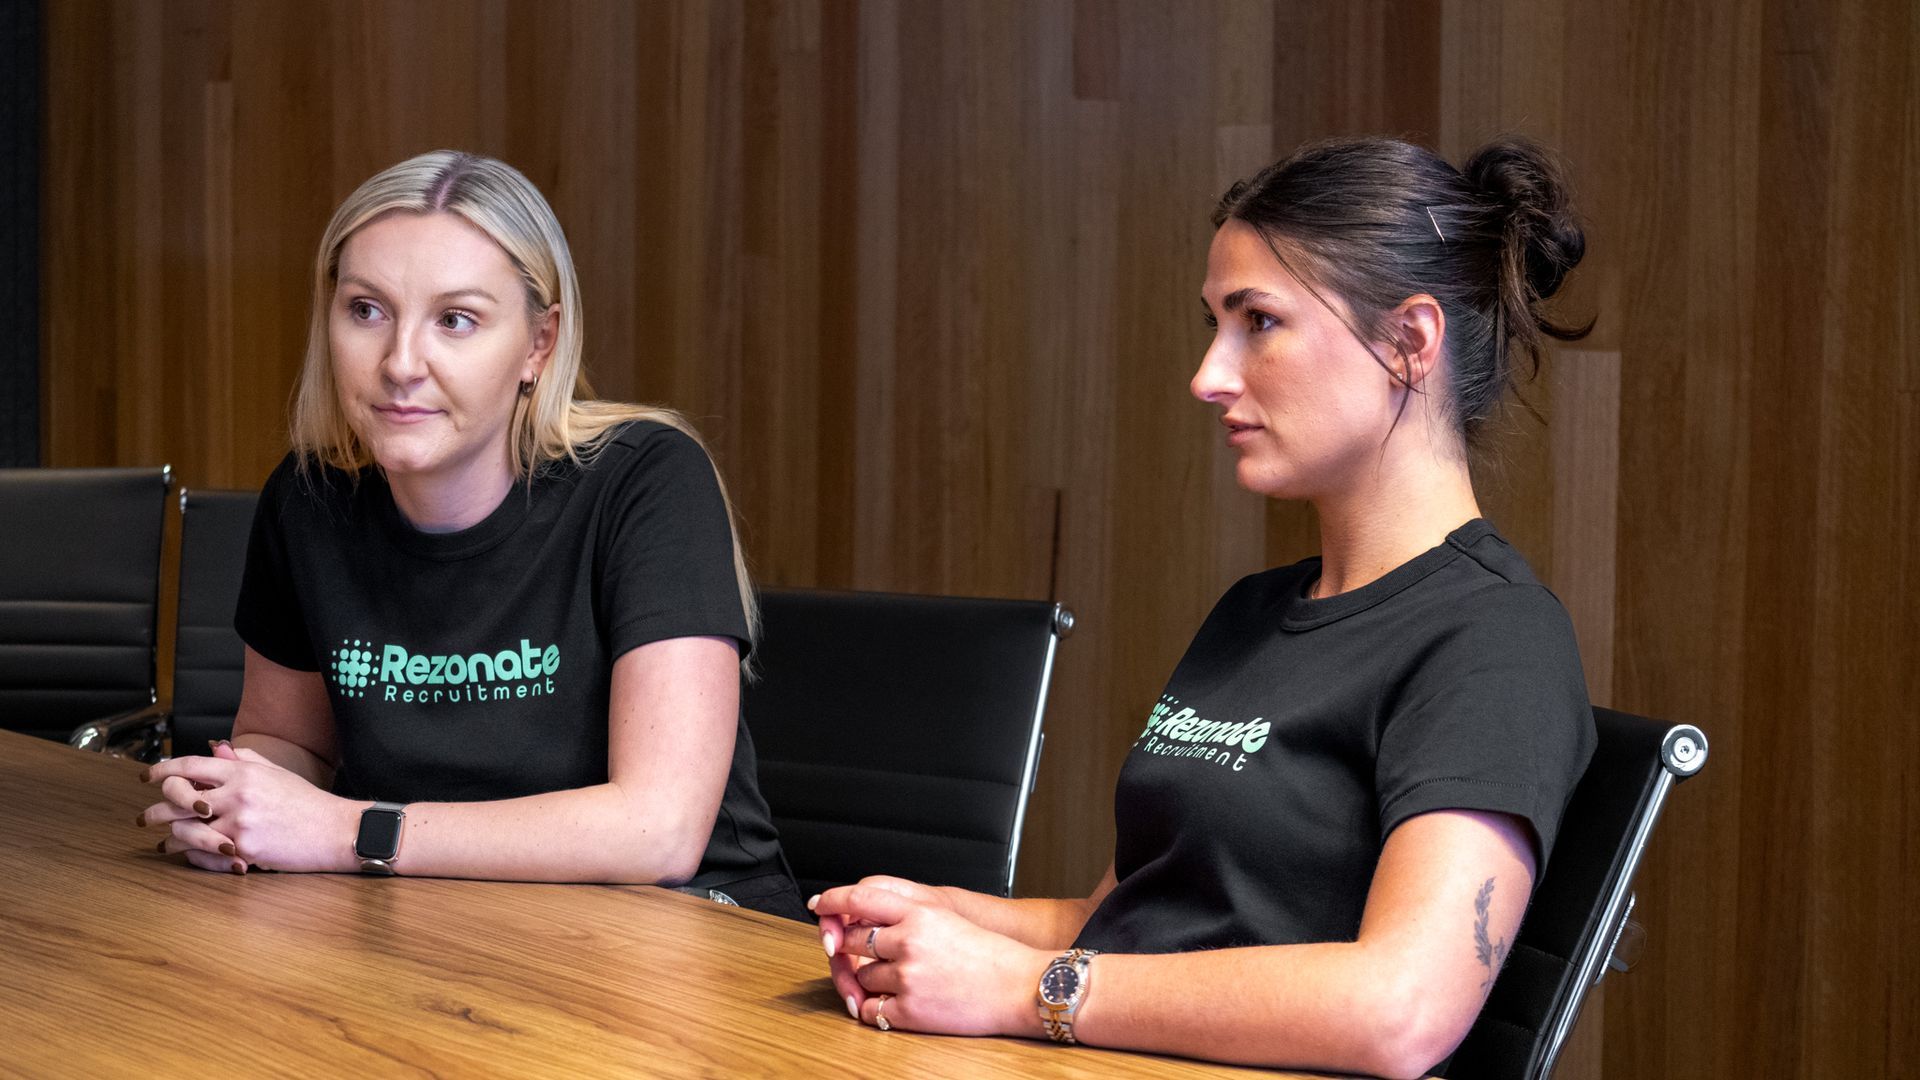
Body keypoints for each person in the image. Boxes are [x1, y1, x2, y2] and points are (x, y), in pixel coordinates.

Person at [810, 135, 1599, 1076]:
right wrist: (936, 919)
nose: (1209, 375)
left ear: (1409, 340)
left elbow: (1402, 1009)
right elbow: (1127, 917)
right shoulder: (1255, 611)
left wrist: (1023, 989)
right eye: (1214, 324)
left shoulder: (1495, 640)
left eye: (1257, 322)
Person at [136, 150, 806, 921]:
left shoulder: (646, 479)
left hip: (688, 929)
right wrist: (234, 801)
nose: (400, 363)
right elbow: (293, 747)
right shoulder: (310, 497)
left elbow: (658, 833)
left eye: (456, 320)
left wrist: (347, 832)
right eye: (367, 310)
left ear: (538, 345)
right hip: (438, 923)